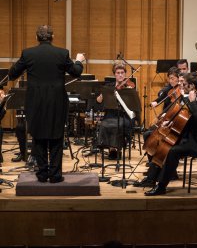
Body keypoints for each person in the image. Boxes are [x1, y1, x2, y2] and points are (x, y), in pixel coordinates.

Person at [8, 25, 85, 183]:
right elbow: (76, 72)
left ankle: (42, 173)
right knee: (56, 137)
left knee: (38, 136)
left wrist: (26, 67)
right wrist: (78, 60)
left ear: (37, 38)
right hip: (57, 102)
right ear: (53, 37)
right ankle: (55, 175)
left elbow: (12, 74)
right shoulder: (62, 53)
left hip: (35, 102)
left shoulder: (28, 53)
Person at [144, 72, 197, 196]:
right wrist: (172, 124)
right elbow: (187, 119)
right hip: (191, 137)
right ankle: (152, 178)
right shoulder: (190, 99)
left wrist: (192, 102)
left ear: (192, 86)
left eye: (185, 84)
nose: (182, 86)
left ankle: (161, 187)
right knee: (163, 145)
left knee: (172, 151)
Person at [96, 61, 135, 160]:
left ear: (125, 74)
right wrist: (101, 96)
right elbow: (99, 101)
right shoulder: (109, 86)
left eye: (122, 72)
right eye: (118, 73)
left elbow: (132, 105)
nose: (120, 75)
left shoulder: (129, 87)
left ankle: (117, 149)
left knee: (119, 125)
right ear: (115, 74)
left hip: (124, 115)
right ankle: (110, 148)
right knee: (104, 124)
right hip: (111, 113)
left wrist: (130, 93)